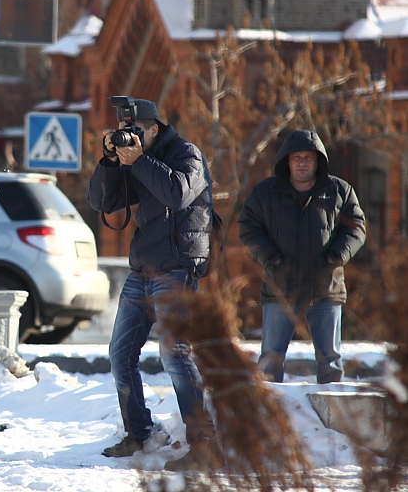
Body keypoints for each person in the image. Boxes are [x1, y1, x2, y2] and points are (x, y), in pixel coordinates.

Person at [88, 98, 219, 471]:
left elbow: (177, 194)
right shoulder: (135, 159)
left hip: (176, 271)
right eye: (126, 131)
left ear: (155, 128)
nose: (132, 137)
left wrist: (138, 161)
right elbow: (101, 201)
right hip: (141, 272)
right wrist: (111, 162)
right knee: (120, 354)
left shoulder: (186, 154)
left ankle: (205, 443)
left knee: (174, 354)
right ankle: (140, 433)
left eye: (137, 131)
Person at [238, 130, 366, 384]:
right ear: (287, 160)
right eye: (297, 157)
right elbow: (248, 228)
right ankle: (269, 415)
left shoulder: (339, 190)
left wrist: (337, 256)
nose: (303, 162)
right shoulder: (265, 192)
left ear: (318, 161)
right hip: (279, 286)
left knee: (330, 359)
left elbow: (356, 228)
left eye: (308, 157)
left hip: (325, 286)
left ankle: (332, 416)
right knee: (270, 360)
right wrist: (270, 258)